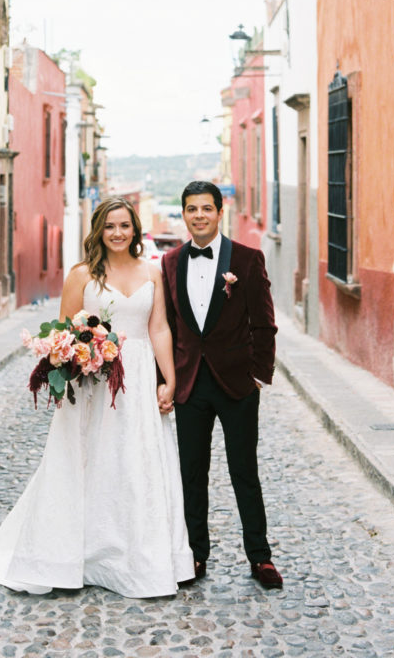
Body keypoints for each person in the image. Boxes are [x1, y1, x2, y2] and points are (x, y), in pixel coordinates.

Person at [0, 196, 194, 597]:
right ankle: (86, 551)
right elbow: (65, 333)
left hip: (140, 377)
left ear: (135, 230)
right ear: (98, 231)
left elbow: (159, 328)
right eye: (110, 226)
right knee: (94, 458)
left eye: (125, 225)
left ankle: (136, 556)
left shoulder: (152, 272)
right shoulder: (82, 275)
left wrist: (168, 380)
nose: (118, 233)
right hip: (96, 385)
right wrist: (84, 358)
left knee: (138, 461)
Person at [160, 180, 283, 589]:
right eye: (192, 209)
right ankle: (195, 554)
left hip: (237, 384)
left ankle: (260, 557)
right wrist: (166, 381)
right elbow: (167, 326)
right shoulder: (170, 263)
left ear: (219, 212)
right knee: (192, 473)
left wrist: (258, 375)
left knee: (244, 471)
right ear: (184, 214)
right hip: (190, 384)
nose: (199, 216)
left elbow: (264, 323)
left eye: (206, 208)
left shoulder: (247, 259)